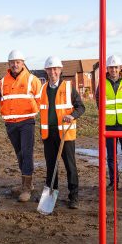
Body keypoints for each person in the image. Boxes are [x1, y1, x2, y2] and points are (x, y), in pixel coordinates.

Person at [38, 56, 85, 209]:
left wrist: (72, 115)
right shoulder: (43, 89)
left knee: (70, 165)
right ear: (46, 71)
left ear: (60, 70)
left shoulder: (68, 87)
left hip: (66, 134)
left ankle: (74, 197)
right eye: (50, 69)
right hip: (48, 134)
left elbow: (80, 107)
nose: (53, 72)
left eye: (56, 69)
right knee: (51, 165)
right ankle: (52, 192)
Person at [0, 49, 41, 203]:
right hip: (10, 124)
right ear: (8, 64)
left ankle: (27, 188)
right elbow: (0, 101)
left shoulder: (32, 80)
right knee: (19, 153)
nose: (15, 64)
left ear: (23, 63)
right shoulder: (2, 82)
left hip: (27, 122)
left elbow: (40, 101)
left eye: (18, 62)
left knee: (27, 153)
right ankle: (25, 183)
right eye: (12, 62)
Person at [95, 55, 122, 194]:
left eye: (116, 67)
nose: (113, 70)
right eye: (111, 67)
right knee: (111, 156)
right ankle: (113, 182)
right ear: (107, 68)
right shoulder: (102, 83)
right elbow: (98, 102)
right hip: (109, 125)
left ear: (120, 68)